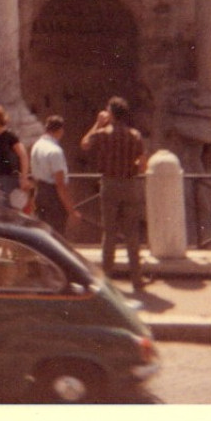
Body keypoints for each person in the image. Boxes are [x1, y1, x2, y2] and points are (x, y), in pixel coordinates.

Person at [81, 97, 146, 287]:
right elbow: (142, 165)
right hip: (130, 185)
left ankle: (106, 280)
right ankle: (137, 278)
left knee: (109, 233)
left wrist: (97, 123)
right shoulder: (135, 135)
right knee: (132, 233)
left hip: (109, 185)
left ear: (111, 114)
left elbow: (84, 144)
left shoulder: (102, 134)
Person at [29, 116, 82, 236]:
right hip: (53, 197)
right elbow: (60, 184)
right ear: (60, 131)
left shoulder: (36, 146)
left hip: (40, 192)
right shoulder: (55, 151)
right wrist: (71, 210)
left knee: (42, 234)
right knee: (56, 234)